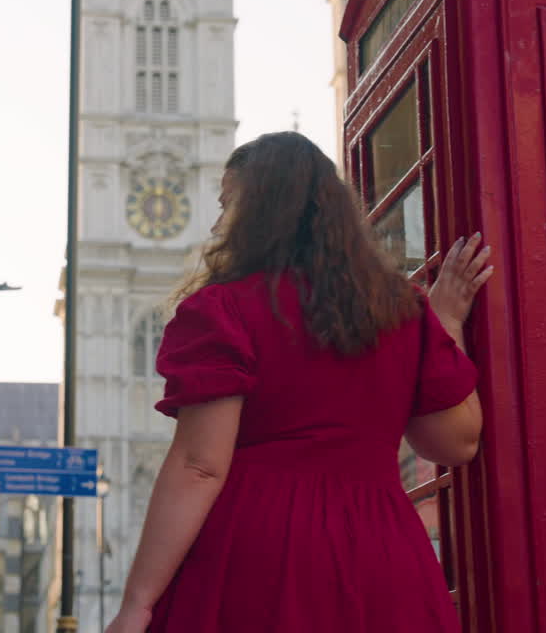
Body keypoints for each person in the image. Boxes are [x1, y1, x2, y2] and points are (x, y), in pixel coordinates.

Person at [104, 132, 492, 633]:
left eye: (227, 203)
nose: (218, 222)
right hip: (381, 550)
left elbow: (200, 465)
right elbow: (455, 442)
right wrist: (447, 324)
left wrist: (137, 603)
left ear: (262, 210)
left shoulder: (223, 310)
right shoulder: (404, 313)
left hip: (262, 550)